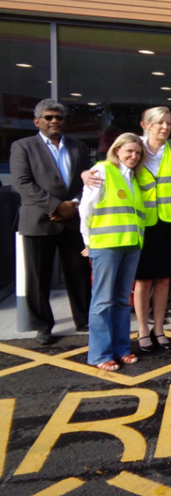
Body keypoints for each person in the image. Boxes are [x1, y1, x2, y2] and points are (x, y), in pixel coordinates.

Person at [10, 99, 91, 345]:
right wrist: (56, 206)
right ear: (37, 121)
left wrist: (73, 205)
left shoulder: (78, 147)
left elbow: (87, 181)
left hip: (72, 220)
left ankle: (84, 318)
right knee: (38, 277)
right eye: (48, 117)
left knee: (78, 272)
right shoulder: (23, 146)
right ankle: (42, 326)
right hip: (39, 220)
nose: (54, 121)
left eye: (58, 117)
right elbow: (22, 183)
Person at [78, 133, 146, 370]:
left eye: (137, 152)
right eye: (129, 151)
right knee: (103, 301)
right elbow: (85, 208)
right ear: (116, 150)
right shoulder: (103, 171)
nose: (133, 156)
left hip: (130, 245)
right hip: (106, 245)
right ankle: (100, 354)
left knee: (120, 301)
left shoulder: (132, 177)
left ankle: (121, 349)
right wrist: (88, 241)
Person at [132, 107, 171, 352]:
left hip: (170, 224)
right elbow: (109, 169)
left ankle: (159, 330)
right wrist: (87, 174)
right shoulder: (133, 147)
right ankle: (142, 330)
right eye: (159, 123)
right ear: (145, 125)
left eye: (168, 123)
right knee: (143, 281)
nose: (165, 128)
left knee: (164, 281)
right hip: (143, 225)